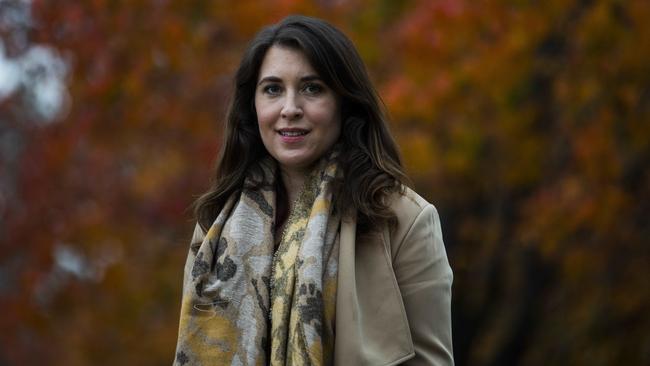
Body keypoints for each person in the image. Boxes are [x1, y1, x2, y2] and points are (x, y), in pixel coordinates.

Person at [174, 15, 454, 366]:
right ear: (253, 105)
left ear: (344, 102)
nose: (290, 109)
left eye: (312, 88)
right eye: (273, 89)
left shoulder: (405, 222)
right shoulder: (214, 226)